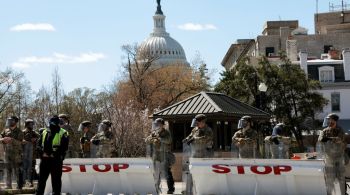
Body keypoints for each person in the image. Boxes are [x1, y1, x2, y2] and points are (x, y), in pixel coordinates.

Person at [36, 115, 69, 195]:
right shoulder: (44, 132)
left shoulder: (63, 132)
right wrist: (42, 153)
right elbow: (38, 145)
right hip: (44, 160)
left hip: (56, 160)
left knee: (56, 181)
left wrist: (53, 154)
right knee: (41, 180)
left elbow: (64, 147)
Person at [318, 113, 346, 195]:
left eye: (330, 119)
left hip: (339, 158)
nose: (328, 121)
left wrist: (328, 138)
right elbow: (320, 139)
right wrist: (323, 138)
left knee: (341, 179)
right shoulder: (324, 131)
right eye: (328, 120)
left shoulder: (340, 130)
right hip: (329, 158)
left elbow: (340, 139)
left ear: (334, 120)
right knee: (329, 180)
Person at [145, 118, 175, 194]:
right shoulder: (154, 132)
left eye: (158, 124)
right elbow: (146, 140)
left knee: (167, 172)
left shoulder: (166, 132)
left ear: (162, 124)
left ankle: (171, 188)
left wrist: (159, 139)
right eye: (156, 124)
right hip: (156, 155)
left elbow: (169, 140)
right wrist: (152, 139)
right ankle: (156, 188)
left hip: (165, 154)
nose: (157, 126)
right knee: (156, 172)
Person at [0, 116, 24, 189]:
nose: (10, 122)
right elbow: (0, 138)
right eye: (9, 120)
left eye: (12, 120)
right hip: (7, 153)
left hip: (16, 154)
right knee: (7, 170)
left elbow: (20, 142)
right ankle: (8, 185)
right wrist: (3, 139)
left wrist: (11, 140)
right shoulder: (6, 130)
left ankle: (19, 186)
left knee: (17, 170)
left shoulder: (19, 131)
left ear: (15, 122)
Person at [22, 119, 39, 188]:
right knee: (24, 168)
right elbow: (20, 141)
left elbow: (40, 138)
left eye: (32, 124)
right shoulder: (22, 132)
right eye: (30, 124)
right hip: (24, 154)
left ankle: (30, 182)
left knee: (31, 169)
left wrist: (36, 139)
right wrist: (24, 141)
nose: (32, 125)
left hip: (33, 154)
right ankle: (22, 182)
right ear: (26, 124)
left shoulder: (35, 133)